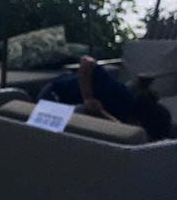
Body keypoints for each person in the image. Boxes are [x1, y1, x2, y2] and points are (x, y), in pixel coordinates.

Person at [40, 55, 172, 141]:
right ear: (139, 122)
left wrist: (102, 114)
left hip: (66, 102)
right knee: (82, 112)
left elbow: (116, 125)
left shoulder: (125, 117)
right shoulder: (120, 96)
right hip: (53, 95)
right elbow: (86, 62)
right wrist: (88, 97)